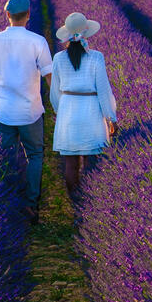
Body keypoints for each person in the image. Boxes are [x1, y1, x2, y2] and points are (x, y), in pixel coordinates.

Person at [0, 0, 52, 224]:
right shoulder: (38, 41)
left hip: (5, 113)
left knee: (7, 159)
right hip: (30, 111)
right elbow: (49, 75)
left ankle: (9, 206)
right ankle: (31, 205)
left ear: (7, 15)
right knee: (35, 156)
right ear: (29, 15)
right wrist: (59, 104)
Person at [50, 12, 117, 196]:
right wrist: (111, 117)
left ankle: (74, 201)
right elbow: (103, 90)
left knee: (71, 164)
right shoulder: (96, 57)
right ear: (86, 34)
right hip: (91, 112)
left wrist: (60, 111)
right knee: (91, 162)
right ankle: (89, 204)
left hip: (68, 111)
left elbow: (54, 93)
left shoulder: (58, 58)